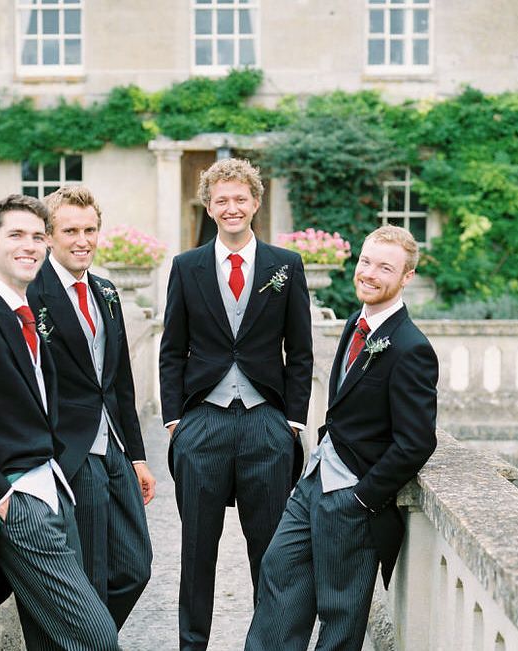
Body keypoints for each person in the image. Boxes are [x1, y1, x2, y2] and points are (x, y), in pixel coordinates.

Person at [0, 194, 119, 651]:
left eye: (37, 237)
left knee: (51, 641)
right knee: (97, 638)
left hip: (53, 489)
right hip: (20, 502)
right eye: (16, 235)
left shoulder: (22, 314)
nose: (29, 246)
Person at [245, 225, 439, 651]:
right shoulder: (357, 322)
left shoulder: (411, 348)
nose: (368, 273)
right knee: (277, 573)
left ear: (406, 277)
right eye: (366, 261)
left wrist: (363, 499)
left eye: (384, 267)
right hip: (314, 480)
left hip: (352, 497)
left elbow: (417, 442)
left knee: (340, 614)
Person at [159, 158, 313, 650]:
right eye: (221, 200)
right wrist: (175, 420)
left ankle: (267, 643)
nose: (231, 208)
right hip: (202, 421)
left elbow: (301, 349)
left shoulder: (285, 266)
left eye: (240, 199)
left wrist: (290, 421)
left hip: (265, 423)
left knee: (269, 552)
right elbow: (171, 348)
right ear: (209, 206)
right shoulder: (186, 267)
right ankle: (192, 644)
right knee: (197, 551)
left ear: (255, 203)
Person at [27, 185, 154, 629]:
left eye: (91, 229)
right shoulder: (31, 295)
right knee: (90, 576)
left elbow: (120, 381)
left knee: (136, 566)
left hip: (114, 446)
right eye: (71, 231)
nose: (83, 240)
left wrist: (137, 456)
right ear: (48, 237)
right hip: (69, 451)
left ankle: (94, 638)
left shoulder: (106, 290)